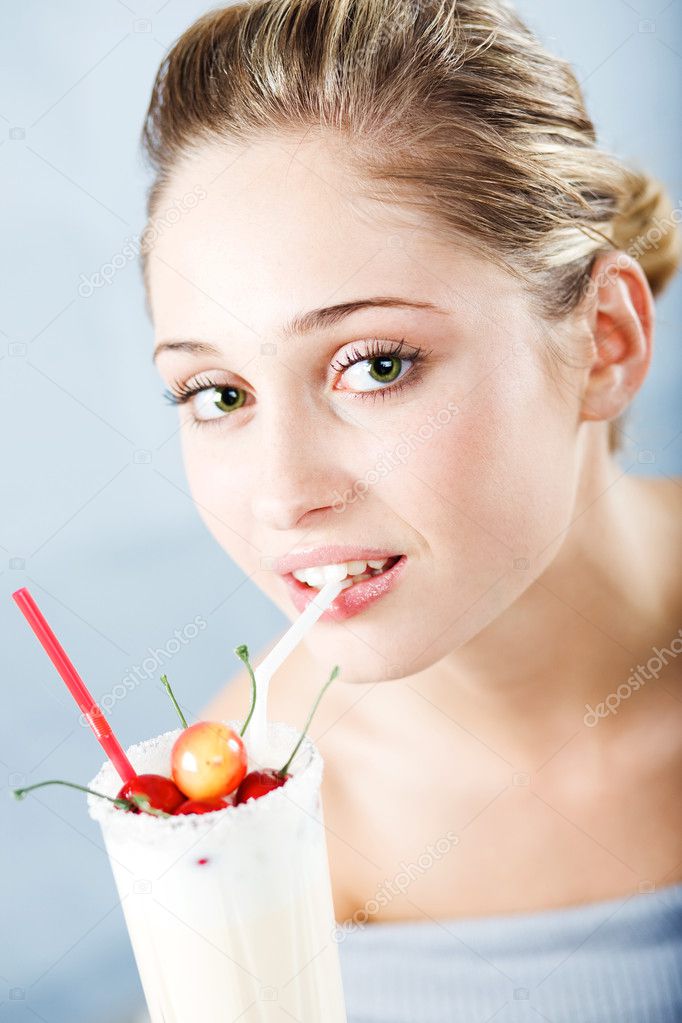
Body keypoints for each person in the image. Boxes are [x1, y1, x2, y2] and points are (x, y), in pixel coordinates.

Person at [142, 0, 682, 1019]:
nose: (283, 495)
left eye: (376, 365)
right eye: (219, 394)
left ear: (603, 341)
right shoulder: (241, 818)